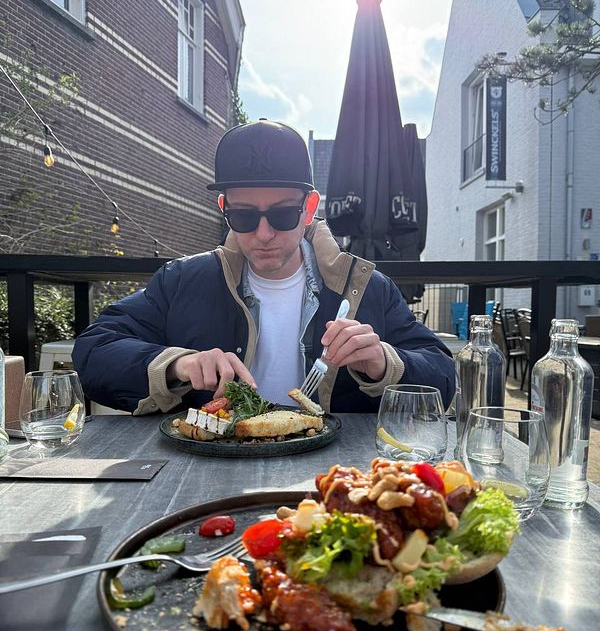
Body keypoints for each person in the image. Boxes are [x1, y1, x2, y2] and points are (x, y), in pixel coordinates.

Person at [73, 119, 455, 415]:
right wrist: (180, 364)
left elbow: (442, 373)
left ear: (309, 209)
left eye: (283, 214)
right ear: (224, 210)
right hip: (208, 479)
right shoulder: (184, 280)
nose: (263, 233)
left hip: (330, 480)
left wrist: (381, 361)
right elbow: (93, 352)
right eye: (243, 216)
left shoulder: (366, 286)